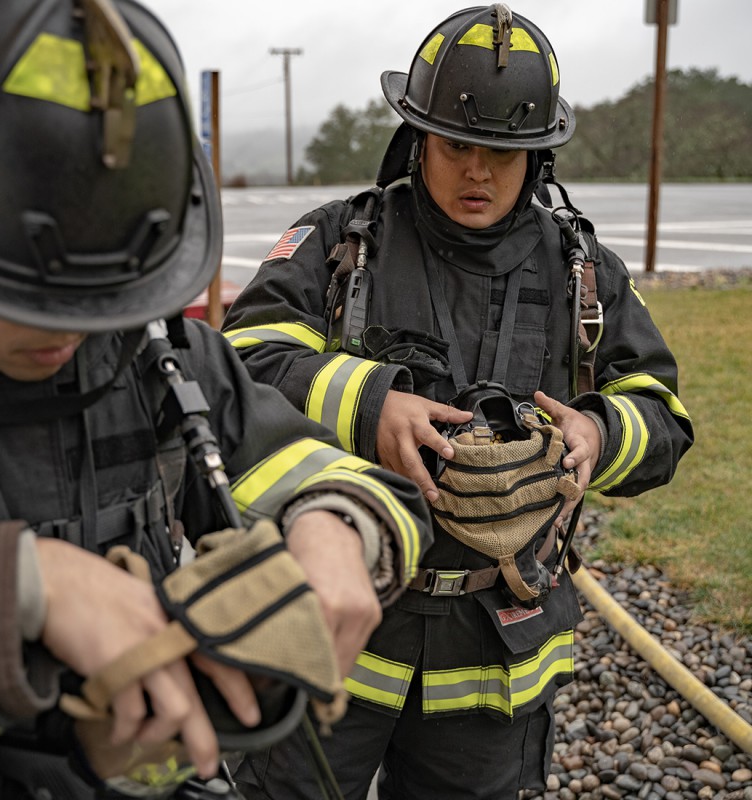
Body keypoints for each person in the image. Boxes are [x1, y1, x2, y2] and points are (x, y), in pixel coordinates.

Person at [0, 1, 432, 799]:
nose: (72, 334)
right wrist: (20, 589)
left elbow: (310, 466)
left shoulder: (157, 358)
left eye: (110, 294)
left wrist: (340, 525)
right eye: (30, 298)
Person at [222, 5, 695, 798]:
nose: (478, 172)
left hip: (490, 663)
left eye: (504, 154)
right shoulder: (339, 243)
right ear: (417, 138)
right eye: (457, 146)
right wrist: (371, 405)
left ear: (538, 157)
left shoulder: (583, 273)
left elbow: (663, 417)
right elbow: (237, 367)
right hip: (332, 632)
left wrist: (599, 433)